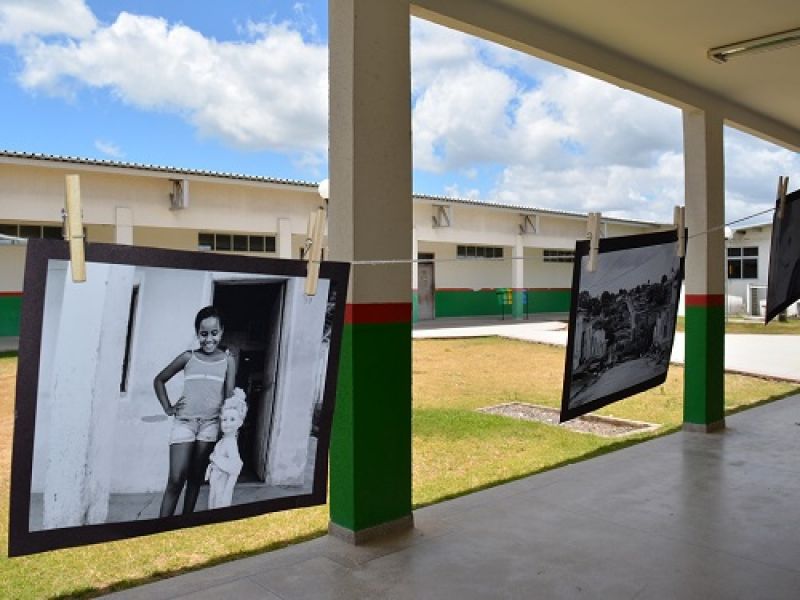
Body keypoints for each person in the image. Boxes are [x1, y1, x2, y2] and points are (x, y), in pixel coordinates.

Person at [154, 306, 236, 517]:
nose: (209, 339)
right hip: (185, 423)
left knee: (195, 479)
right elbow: (159, 380)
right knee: (175, 480)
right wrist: (168, 407)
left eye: (214, 333)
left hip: (210, 425)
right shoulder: (188, 357)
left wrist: (228, 431)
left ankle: (185, 525)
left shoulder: (228, 360)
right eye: (203, 333)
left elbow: (228, 398)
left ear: (222, 331)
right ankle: (160, 529)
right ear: (197, 333)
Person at [206, 390, 248, 509]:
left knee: (219, 506)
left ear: (240, 423)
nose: (227, 423)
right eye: (224, 420)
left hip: (222, 484)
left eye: (232, 419)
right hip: (216, 481)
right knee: (212, 503)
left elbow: (235, 468)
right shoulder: (223, 440)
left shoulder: (231, 443)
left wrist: (227, 492)